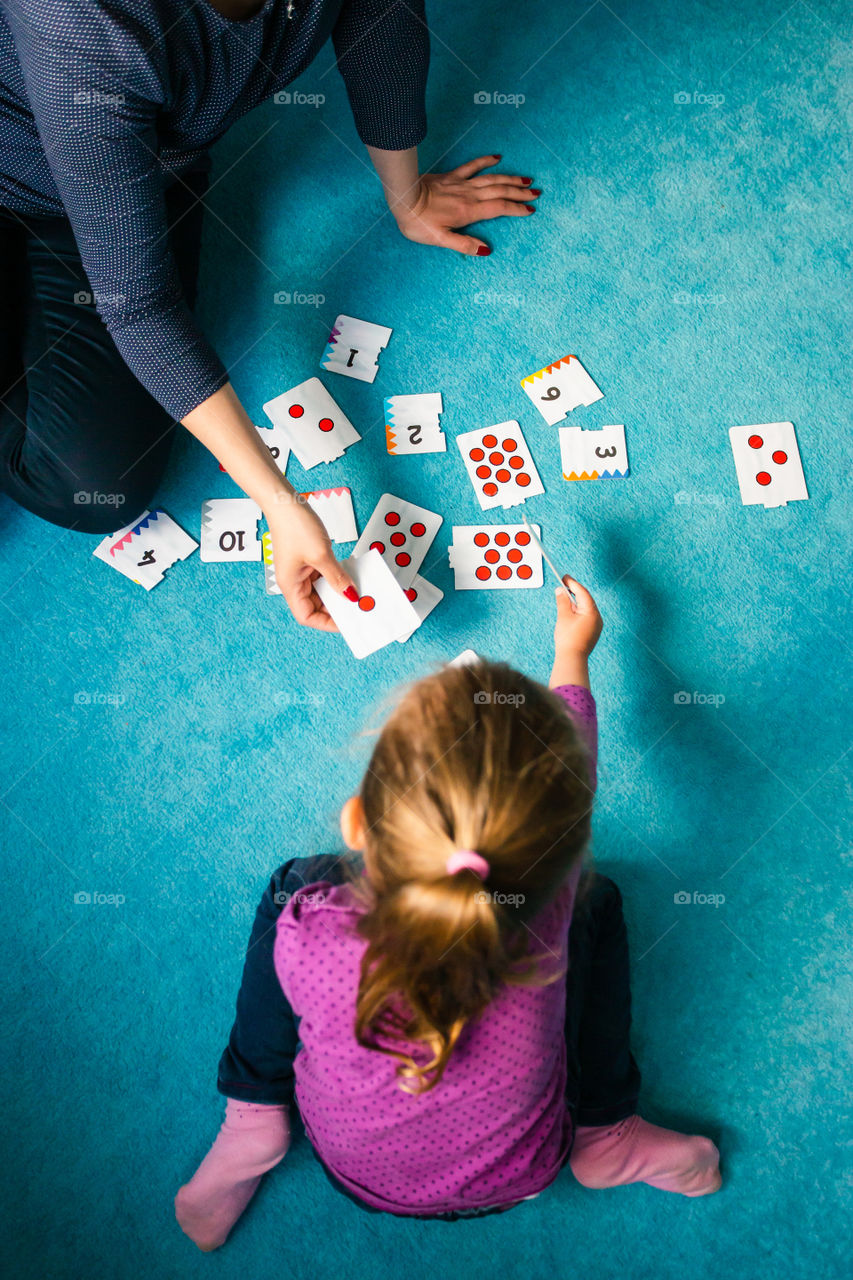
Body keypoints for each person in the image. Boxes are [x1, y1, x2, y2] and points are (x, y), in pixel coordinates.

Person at [174, 576, 722, 1249]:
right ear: (560, 845)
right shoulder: (549, 913)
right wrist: (571, 655)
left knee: (288, 883)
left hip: (355, 1176)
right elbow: (568, 780)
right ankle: (606, 1133)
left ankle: (252, 1114)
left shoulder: (311, 931)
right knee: (600, 898)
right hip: (523, 1176)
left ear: (357, 823)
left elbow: (567, 793)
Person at [0, 0, 539, 625]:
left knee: (95, 484)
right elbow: (140, 307)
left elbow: (380, 17)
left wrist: (407, 193)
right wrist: (279, 501)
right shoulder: (75, 16)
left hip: (134, 181)